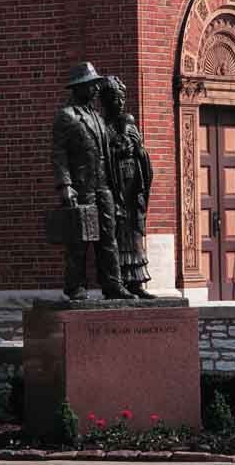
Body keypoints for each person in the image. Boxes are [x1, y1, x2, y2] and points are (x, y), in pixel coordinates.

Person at [52, 62, 136, 300]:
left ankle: (112, 285)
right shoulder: (67, 116)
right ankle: (76, 286)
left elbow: (107, 149)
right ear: (78, 87)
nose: (95, 88)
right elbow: (59, 154)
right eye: (90, 85)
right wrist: (65, 186)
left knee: (108, 237)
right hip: (81, 187)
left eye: (95, 84)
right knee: (80, 240)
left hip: (103, 186)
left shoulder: (98, 117)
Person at [100, 76, 156, 299]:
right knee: (117, 236)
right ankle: (117, 282)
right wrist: (118, 151)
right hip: (115, 188)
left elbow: (143, 154)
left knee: (134, 235)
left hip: (133, 188)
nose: (120, 102)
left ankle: (136, 283)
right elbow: (101, 158)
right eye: (115, 98)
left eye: (122, 98)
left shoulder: (130, 126)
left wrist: (138, 151)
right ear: (105, 101)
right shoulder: (103, 128)